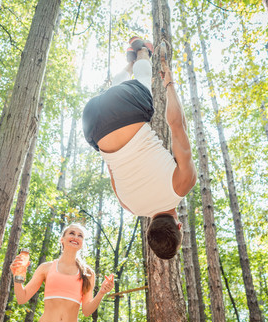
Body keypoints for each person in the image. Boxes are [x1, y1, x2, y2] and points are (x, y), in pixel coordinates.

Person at [82, 37, 197, 260]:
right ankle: (129, 62)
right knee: (115, 93)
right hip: (91, 124)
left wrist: (169, 84)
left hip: (127, 110)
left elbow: (177, 125)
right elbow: (111, 165)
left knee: (144, 81)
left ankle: (143, 52)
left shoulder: (183, 185)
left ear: (179, 226)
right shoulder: (129, 206)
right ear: (148, 230)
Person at [10, 223, 115, 322]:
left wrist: (101, 292)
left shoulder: (88, 273)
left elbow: (87, 310)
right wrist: (17, 277)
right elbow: (22, 298)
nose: (76, 237)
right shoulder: (46, 268)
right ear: (62, 239)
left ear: (82, 243)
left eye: (80, 235)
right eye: (71, 233)